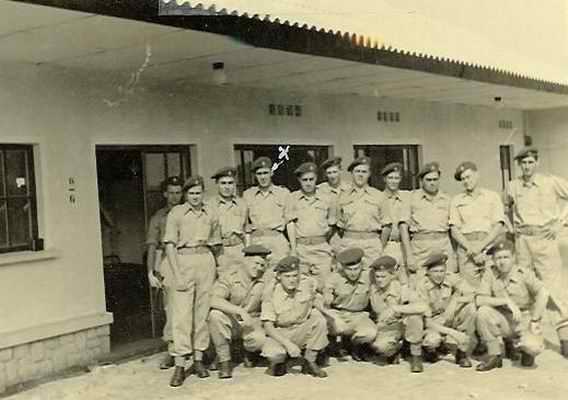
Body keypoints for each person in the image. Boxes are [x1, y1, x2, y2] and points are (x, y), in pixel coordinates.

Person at [506, 146, 568, 357]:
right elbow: (506, 209)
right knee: (524, 289)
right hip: (523, 241)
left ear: (537, 162)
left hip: (545, 239)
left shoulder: (550, 182)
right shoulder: (513, 186)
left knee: (554, 288)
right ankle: (527, 341)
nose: (527, 166)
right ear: (519, 165)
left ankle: (565, 337)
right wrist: (512, 228)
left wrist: (560, 222)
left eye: (530, 162)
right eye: (523, 163)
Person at [163, 176, 222, 388]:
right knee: (181, 315)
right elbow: (170, 245)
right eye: (191, 193)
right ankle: (180, 364)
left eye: (198, 193)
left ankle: (198, 359)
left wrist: (216, 268)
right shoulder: (176, 213)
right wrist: (177, 274)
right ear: (186, 194)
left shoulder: (210, 212)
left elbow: (216, 243)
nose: (195, 197)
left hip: (205, 260)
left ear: (203, 193)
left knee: (202, 313)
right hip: (183, 260)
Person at [475, 239, 549, 371]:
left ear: (513, 258)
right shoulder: (490, 273)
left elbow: (543, 293)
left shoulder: (523, 273)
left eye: (506, 257)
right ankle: (495, 355)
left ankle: (524, 350)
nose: (502, 262)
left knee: (533, 347)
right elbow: (479, 300)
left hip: (523, 320)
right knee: (483, 312)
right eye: (498, 258)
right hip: (503, 319)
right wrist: (506, 301)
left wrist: (535, 320)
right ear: (493, 260)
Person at [208, 245, 271, 379]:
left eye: (262, 265)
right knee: (215, 315)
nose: (259, 268)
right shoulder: (229, 276)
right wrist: (240, 311)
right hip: (233, 321)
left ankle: (247, 352)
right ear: (245, 261)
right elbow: (213, 299)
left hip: (252, 322)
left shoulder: (265, 279)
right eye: (255, 263)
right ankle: (224, 361)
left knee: (260, 340)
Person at [261, 256, 329, 378]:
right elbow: (268, 327)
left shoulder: (307, 284)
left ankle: (310, 361)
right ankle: (280, 362)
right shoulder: (270, 293)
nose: (292, 280)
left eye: (295, 276)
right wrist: (288, 344)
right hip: (280, 333)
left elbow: (320, 289)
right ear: (279, 277)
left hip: (301, 330)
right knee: (274, 354)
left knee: (320, 321)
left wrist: (326, 305)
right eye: (287, 276)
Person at [145, 176, 183, 370]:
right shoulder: (159, 217)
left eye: (178, 192)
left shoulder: (189, 212)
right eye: (171, 193)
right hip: (168, 262)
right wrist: (151, 272)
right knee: (171, 309)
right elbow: (152, 245)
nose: (175, 197)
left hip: (187, 260)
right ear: (165, 194)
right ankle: (172, 351)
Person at [450, 161, 506, 287]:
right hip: (467, 250)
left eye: (468, 177)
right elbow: (454, 230)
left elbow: (498, 225)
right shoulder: (456, 200)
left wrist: (481, 247)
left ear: (477, 175)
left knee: (493, 286)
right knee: (469, 289)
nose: (466, 181)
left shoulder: (492, 197)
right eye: (463, 179)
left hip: (489, 247)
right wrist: (471, 249)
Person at [400, 162, 455, 286]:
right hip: (420, 247)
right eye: (428, 180)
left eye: (435, 179)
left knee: (447, 282)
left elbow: (453, 228)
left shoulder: (447, 199)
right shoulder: (411, 198)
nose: (432, 183)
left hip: (443, 245)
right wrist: (409, 255)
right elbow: (403, 227)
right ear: (421, 181)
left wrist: (454, 254)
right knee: (419, 283)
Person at [417, 253, 476, 368]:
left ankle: (462, 352)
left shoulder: (450, 277)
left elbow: (473, 294)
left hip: (448, 316)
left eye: (441, 271)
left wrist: (456, 301)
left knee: (471, 308)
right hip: (432, 323)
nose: (439, 275)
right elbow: (427, 322)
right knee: (432, 341)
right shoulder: (422, 285)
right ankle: (430, 350)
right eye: (435, 271)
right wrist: (454, 333)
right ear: (427, 272)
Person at [368, 255, 427, 373]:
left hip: (403, 326)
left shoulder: (401, 289)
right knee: (381, 347)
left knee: (415, 317)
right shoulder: (373, 289)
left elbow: (423, 306)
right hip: (387, 328)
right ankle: (397, 349)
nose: (379, 280)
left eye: (383, 276)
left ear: (392, 276)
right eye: (377, 276)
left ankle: (416, 355)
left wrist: (395, 308)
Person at [287, 162, 336, 287]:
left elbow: (331, 225)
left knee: (325, 285)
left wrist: (322, 241)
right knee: (302, 286)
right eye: (304, 180)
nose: (308, 183)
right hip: (301, 249)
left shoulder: (327, 198)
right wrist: (293, 249)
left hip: (321, 249)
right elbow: (291, 224)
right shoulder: (292, 198)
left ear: (316, 179)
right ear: (299, 180)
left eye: (311, 179)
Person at [322, 248, 376, 361]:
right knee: (331, 325)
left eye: (356, 269)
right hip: (338, 314)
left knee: (370, 333)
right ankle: (330, 345)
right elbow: (326, 296)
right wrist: (328, 298)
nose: (353, 273)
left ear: (362, 266)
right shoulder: (334, 277)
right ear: (342, 268)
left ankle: (354, 345)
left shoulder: (369, 276)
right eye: (349, 269)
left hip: (359, 315)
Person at [337, 156, 392, 266]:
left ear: (369, 174)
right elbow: (338, 227)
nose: (360, 175)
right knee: (349, 273)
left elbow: (387, 225)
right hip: (349, 242)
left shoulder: (379, 196)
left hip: (372, 244)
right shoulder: (342, 196)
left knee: (371, 273)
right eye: (357, 171)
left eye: (364, 172)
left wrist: (380, 245)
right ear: (352, 173)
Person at [243, 156, 291, 278]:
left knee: (279, 276)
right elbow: (245, 225)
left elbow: (290, 222)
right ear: (255, 176)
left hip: (277, 241)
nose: (263, 177)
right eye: (259, 174)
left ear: (271, 173)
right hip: (257, 241)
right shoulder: (248, 195)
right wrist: (248, 246)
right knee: (258, 277)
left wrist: (293, 248)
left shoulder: (283, 193)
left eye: (265, 173)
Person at [208, 166, 248, 275]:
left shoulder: (242, 204)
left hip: (239, 249)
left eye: (230, 183)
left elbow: (246, 230)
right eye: (223, 183)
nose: (227, 187)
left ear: (235, 184)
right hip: (220, 251)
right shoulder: (209, 205)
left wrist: (247, 252)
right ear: (217, 184)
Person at [381, 162, 411, 284]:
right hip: (386, 244)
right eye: (390, 178)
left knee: (405, 281)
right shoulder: (378, 198)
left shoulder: (407, 197)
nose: (393, 181)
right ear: (384, 179)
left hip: (404, 245)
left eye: (396, 178)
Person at [317, 156, 352, 260]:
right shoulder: (319, 190)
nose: (332, 176)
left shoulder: (349, 189)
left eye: (335, 172)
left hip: (346, 234)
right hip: (326, 235)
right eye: (329, 173)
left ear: (340, 171)